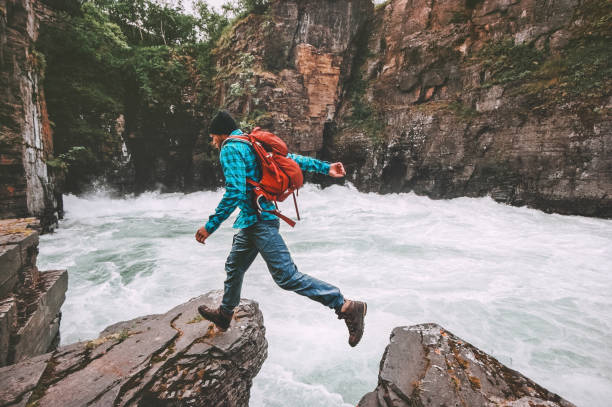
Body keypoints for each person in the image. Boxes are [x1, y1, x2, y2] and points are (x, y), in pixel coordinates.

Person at [195, 110, 367, 347]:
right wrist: (325, 168)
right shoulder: (250, 142)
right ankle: (224, 315)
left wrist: (210, 226)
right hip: (254, 220)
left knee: (286, 276)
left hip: (260, 222)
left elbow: (234, 191)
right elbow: (290, 158)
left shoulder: (230, 148)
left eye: (213, 137)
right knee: (234, 267)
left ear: (220, 134)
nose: (213, 142)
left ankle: (345, 305)